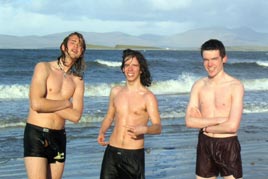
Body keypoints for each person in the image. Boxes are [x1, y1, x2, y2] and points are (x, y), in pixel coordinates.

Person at [24, 32, 86, 179]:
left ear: (82, 52)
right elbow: (37, 104)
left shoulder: (78, 81)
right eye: (73, 42)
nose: (76, 46)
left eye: (80, 44)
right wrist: (65, 103)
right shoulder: (43, 68)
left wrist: (48, 101)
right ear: (63, 47)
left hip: (59, 136)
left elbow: (76, 116)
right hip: (36, 133)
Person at [97, 49, 162, 179]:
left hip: (133, 155)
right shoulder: (115, 92)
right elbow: (110, 115)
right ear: (122, 69)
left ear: (141, 69)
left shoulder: (148, 97)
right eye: (127, 65)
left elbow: (158, 127)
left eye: (134, 65)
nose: (130, 69)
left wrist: (145, 129)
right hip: (112, 152)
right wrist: (102, 132)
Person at [185, 39, 244, 179]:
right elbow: (189, 121)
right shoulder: (198, 85)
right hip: (204, 144)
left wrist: (205, 127)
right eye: (206, 60)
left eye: (214, 59)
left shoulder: (235, 86)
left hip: (227, 145)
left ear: (224, 59)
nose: (209, 64)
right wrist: (219, 120)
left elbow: (232, 126)